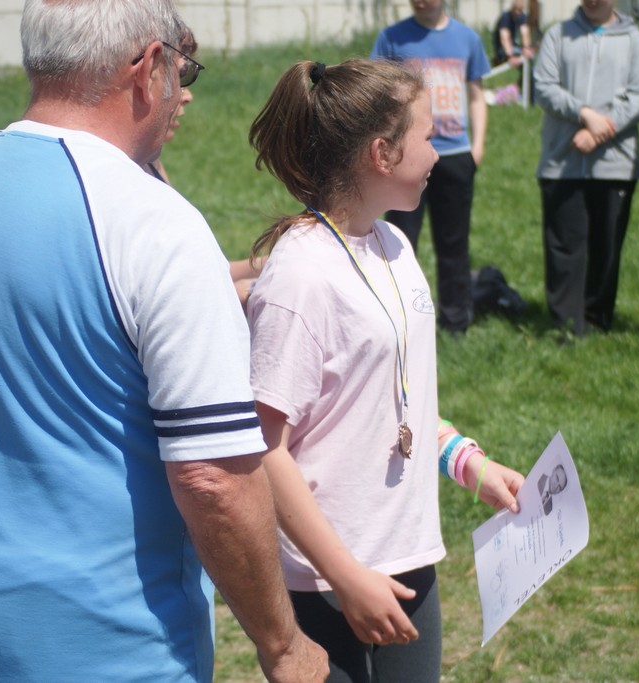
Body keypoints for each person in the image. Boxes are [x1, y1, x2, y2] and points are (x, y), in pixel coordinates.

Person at [0, 1, 327, 680]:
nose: (181, 89)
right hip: (103, 640)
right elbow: (211, 477)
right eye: (183, 70)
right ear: (149, 68)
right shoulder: (154, 224)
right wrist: (283, 644)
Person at [247, 58, 525, 683]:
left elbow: (396, 402)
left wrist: (468, 464)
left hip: (409, 557)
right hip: (324, 582)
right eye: (428, 135)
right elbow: (265, 448)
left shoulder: (394, 245)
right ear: (382, 153)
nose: (438, 151)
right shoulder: (300, 277)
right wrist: (345, 576)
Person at [533, 0, 639, 337]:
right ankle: (566, 324)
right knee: (564, 247)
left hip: (615, 164)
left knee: (607, 245)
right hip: (562, 161)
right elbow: (544, 87)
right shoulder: (558, 35)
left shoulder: (634, 40)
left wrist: (600, 131)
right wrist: (584, 113)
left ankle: (598, 319)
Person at [370, 0, 490, 333]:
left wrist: (477, 146)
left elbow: (477, 96)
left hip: (455, 155)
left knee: (454, 243)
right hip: (406, 158)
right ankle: (398, 316)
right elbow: (376, 97)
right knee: (399, 241)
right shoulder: (391, 38)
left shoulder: (467, 38)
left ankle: (455, 320)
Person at [140, 28, 263, 304]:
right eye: (181, 77)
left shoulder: (150, 162)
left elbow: (210, 272)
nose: (187, 96)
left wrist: (275, 262)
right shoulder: (129, 177)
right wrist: (242, 293)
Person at [492, 0, 536, 69]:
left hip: (514, 47)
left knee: (532, 57)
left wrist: (526, 48)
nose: (517, 12)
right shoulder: (505, 18)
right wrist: (510, 56)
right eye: (516, 9)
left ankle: (529, 75)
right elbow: (504, 38)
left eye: (519, 10)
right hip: (502, 49)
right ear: (512, 8)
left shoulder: (522, 16)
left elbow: (525, 33)